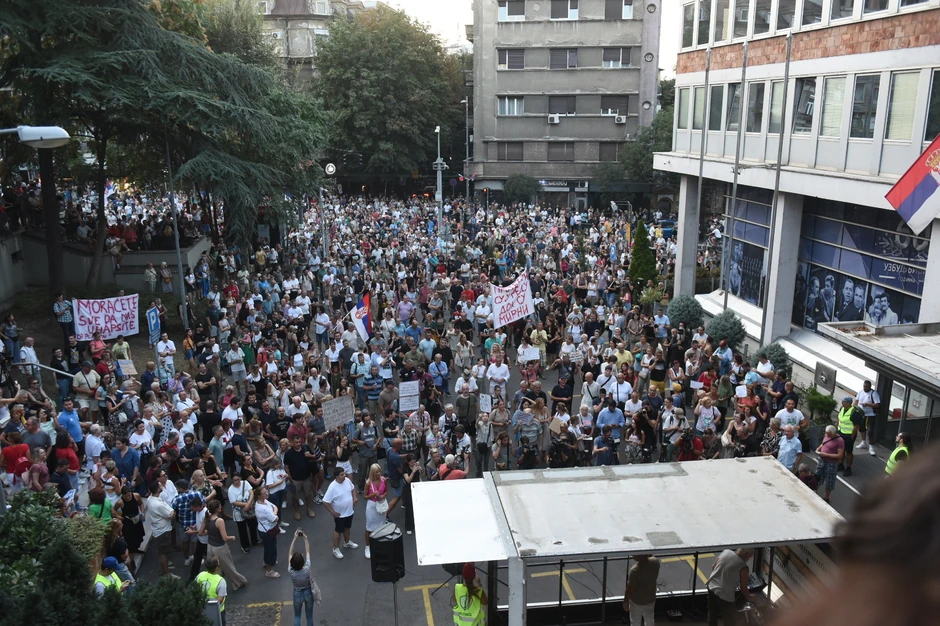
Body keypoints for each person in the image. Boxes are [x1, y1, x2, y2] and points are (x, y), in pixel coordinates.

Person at [202, 499, 248, 591]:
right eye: (219, 506)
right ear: (216, 509)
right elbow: (225, 538)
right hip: (220, 547)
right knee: (228, 566)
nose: (221, 507)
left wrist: (211, 532)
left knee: (214, 568)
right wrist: (232, 538)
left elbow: (201, 532)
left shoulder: (206, 518)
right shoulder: (219, 521)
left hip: (210, 546)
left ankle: (215, 585)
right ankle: (238, 582)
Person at [706, 548, 755, 626]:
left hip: (711, 586)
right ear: (746, 555)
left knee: (712, 615)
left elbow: (713, 566)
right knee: (730, 620)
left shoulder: (726, 552)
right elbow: (743, 588)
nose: (749, 559)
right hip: (725, 595)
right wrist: (750, 597)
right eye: (749, 556)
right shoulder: (743, 567)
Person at [322, 466, 358, 559]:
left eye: (344, 473)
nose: (344, 475)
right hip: (340, 515)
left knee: (347, 528)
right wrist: (332, 512)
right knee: (338, 531)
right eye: (342, 474)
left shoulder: (347, 481)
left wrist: (354, 498)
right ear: (336, 476)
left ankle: (347, 542)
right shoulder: (332, 487)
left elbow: (353, 488)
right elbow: (325, 501)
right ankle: (335, 548)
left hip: (349, 511)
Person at [288, 529, 319, 626]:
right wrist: (305, 538)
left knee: (297, 616)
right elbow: (308, 552)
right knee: (309, 616)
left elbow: (290, 553)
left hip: (297, 593)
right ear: (303, 562)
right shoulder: (307, 568)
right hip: (308, 593)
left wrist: (294, 538)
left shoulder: (291, 570)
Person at [623, 554, 660, 626]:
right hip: (650, 598)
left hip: (636, 601)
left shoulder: (635, 570)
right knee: (649, 620)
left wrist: (625, 601)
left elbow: (630, 589)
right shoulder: (655, 562)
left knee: (635, 622)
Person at [254, 486, 282, 578]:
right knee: (271, 550)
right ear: (259, 496)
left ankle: (267, 562)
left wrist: (274, 512)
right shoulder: (263, 508)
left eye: (266, 492)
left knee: (268, 548)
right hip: (267, 532)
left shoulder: (264, 501)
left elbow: (274, 506)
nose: (267, 494)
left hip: (265, 530)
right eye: (264, 493)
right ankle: (269, 571)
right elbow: (275, 519)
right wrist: (275, 513)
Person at [363, 463, 388, 560]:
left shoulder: (383, 480)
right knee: (369, 527)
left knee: (381, 525)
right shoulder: (368, 483)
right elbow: (365, 497)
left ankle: (380, 544)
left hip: (381, 504)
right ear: (372, 473)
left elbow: (386, 491)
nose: (378, 474)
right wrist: (372, 495)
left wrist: (383, 496)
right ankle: (367, 546)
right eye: (376, 472)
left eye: (379, 471)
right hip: (372, 506)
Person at [816, 425, 845, 503]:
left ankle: (826, 497)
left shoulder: (840, 441)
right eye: (826, 434)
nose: (827, 435)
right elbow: (823, 444)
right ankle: (815, 491)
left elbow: (840, 455)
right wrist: (819, 448)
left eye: (829, 434)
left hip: (831, 463)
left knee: (830, 480)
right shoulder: (826, 435)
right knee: (817, 476)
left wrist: (826, 455)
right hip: (822, 461)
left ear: (834, 433)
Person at [195, 556, 228, 626]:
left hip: (202, 607)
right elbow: (220, 600)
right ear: (217, 567)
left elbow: (194, 589)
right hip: (217, 610)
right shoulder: (221, 581)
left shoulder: (200, 575)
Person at [836, 395, 865, 476]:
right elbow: (839, 418)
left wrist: (852, 436)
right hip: (840, 432)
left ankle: (848, 468)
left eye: (844, 402)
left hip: (849, 435)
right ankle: (840, 464)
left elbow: (856, 426)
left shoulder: (854, 413)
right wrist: (837, 426)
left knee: (848, 451)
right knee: (841, 449)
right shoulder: (842, 408)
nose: (842, 403)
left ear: (849, 403)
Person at [853, 380, 880, 456]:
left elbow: (877, 405)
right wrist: (854, 408)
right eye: (864, 386)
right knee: (861, 429)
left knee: (870, 431)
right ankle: (863, 442)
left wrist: (868, 404)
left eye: (866, 387)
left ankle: (871, 446)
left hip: (870, 415)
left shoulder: (874, 394)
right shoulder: (861, 392)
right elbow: (856, 401)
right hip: (861, 413)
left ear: (870, 386)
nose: (865, 388)